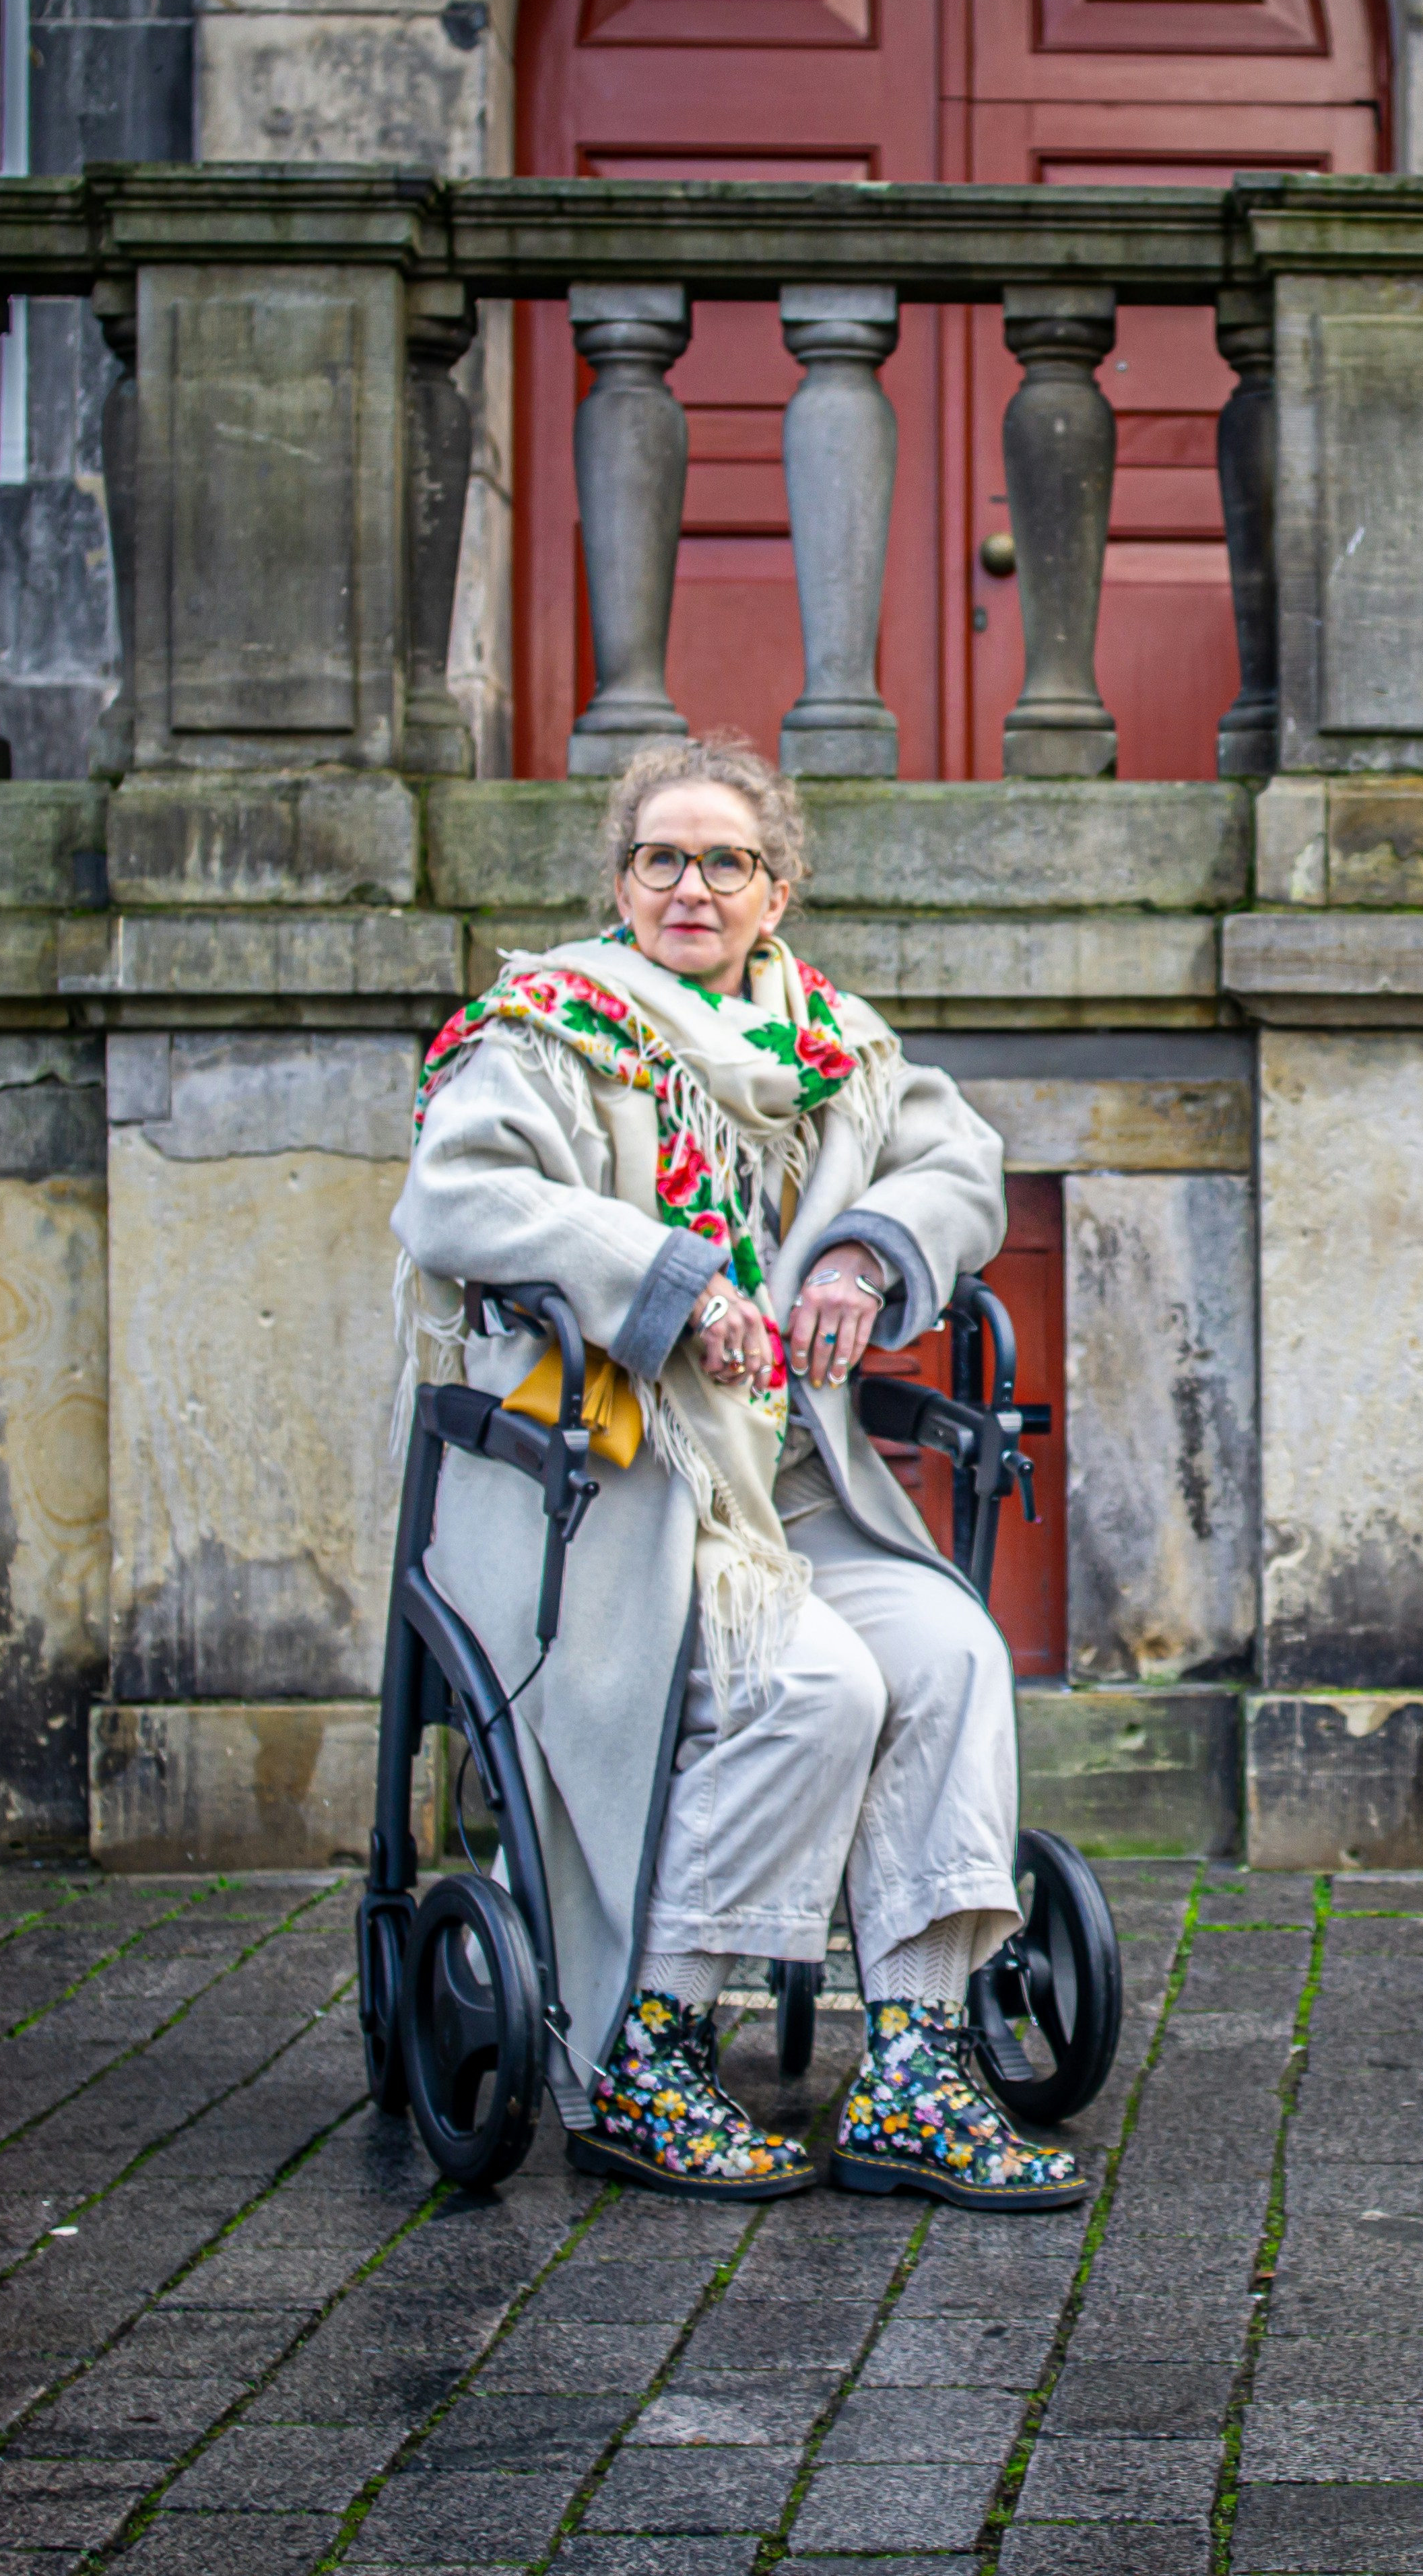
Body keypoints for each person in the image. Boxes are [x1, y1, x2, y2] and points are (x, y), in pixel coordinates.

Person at [391, 735, 1086, 2212]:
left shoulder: (831, 1044)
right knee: (819, 1683)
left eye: (726, 861)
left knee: (953, 1649)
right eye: (662, 858)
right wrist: (660, 1275)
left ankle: (913, 2065)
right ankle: (646, 2045)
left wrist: (863, 1246)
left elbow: (960, 1164)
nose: (691, 885)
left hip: (790, 1493)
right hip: (613, 1490)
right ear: (622, 879)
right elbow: (458, 1194)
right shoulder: (544, 1031)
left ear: (778, 892)